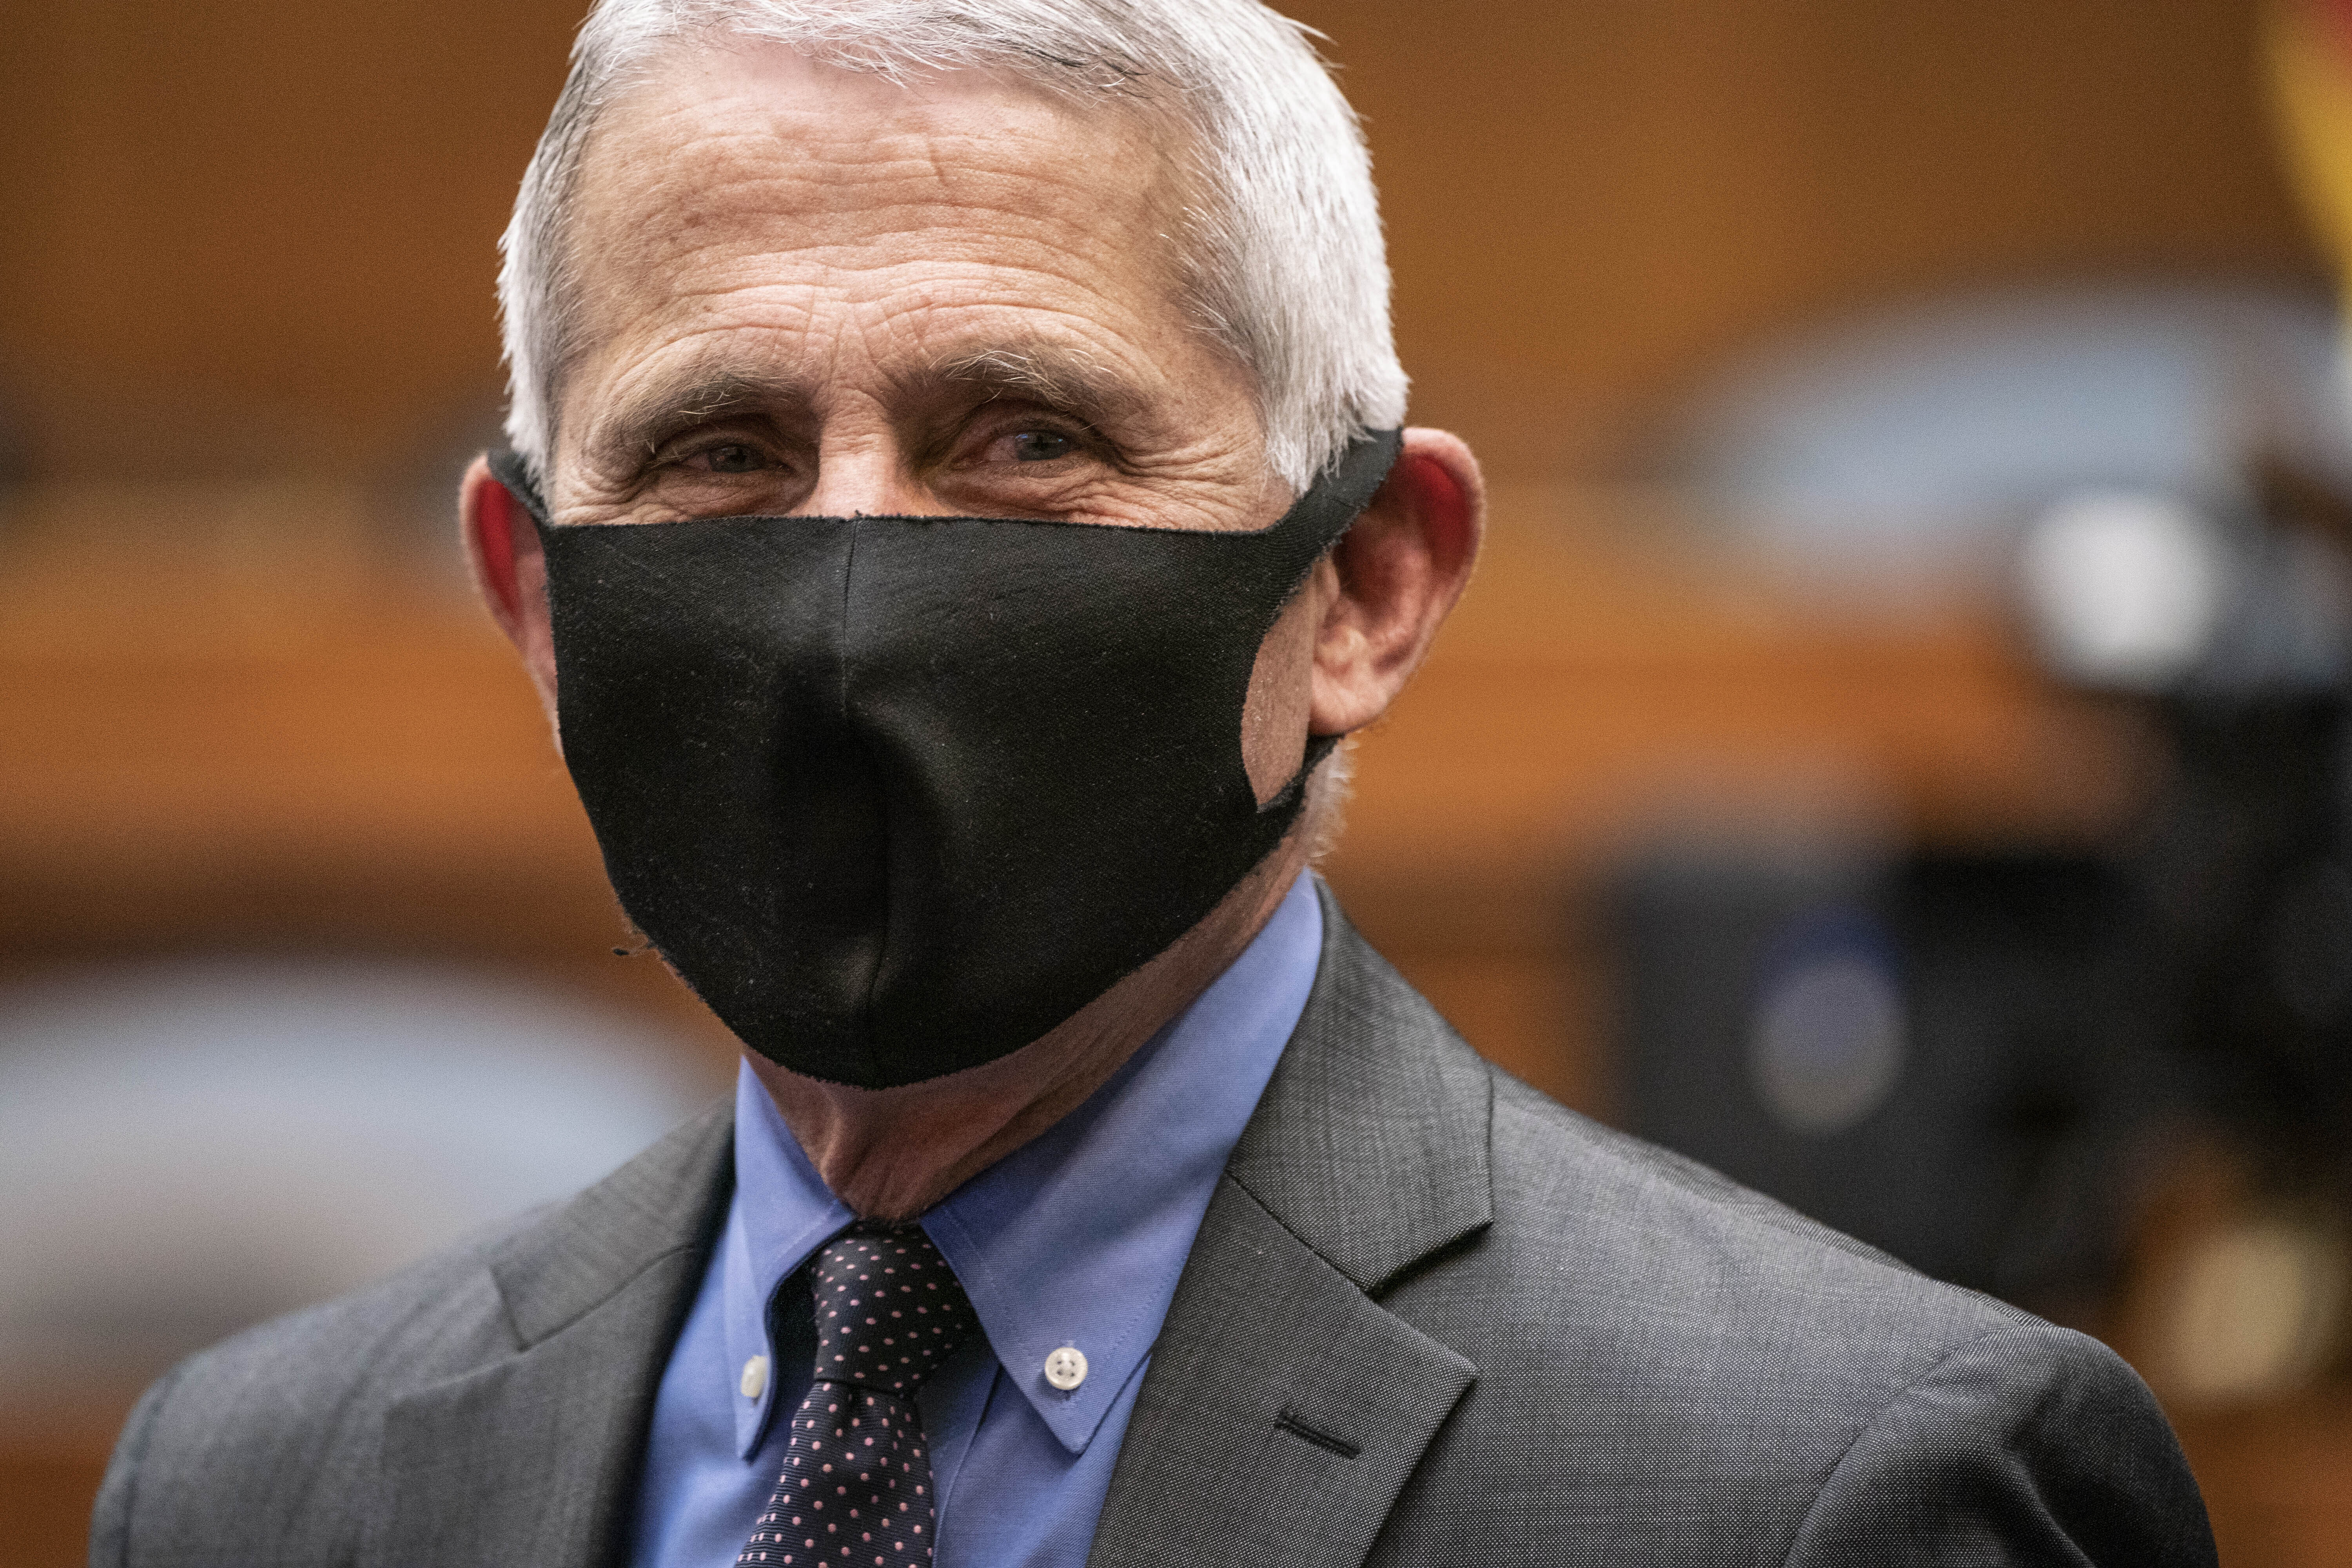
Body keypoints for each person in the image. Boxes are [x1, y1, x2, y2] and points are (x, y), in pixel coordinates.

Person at [89, 1, 2216, 1563]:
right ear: (537, 604)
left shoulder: (1834, 1492)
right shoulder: (261, 1488)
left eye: (1022, 439)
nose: (853, 595)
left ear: (1366, 586)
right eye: (718, 451)